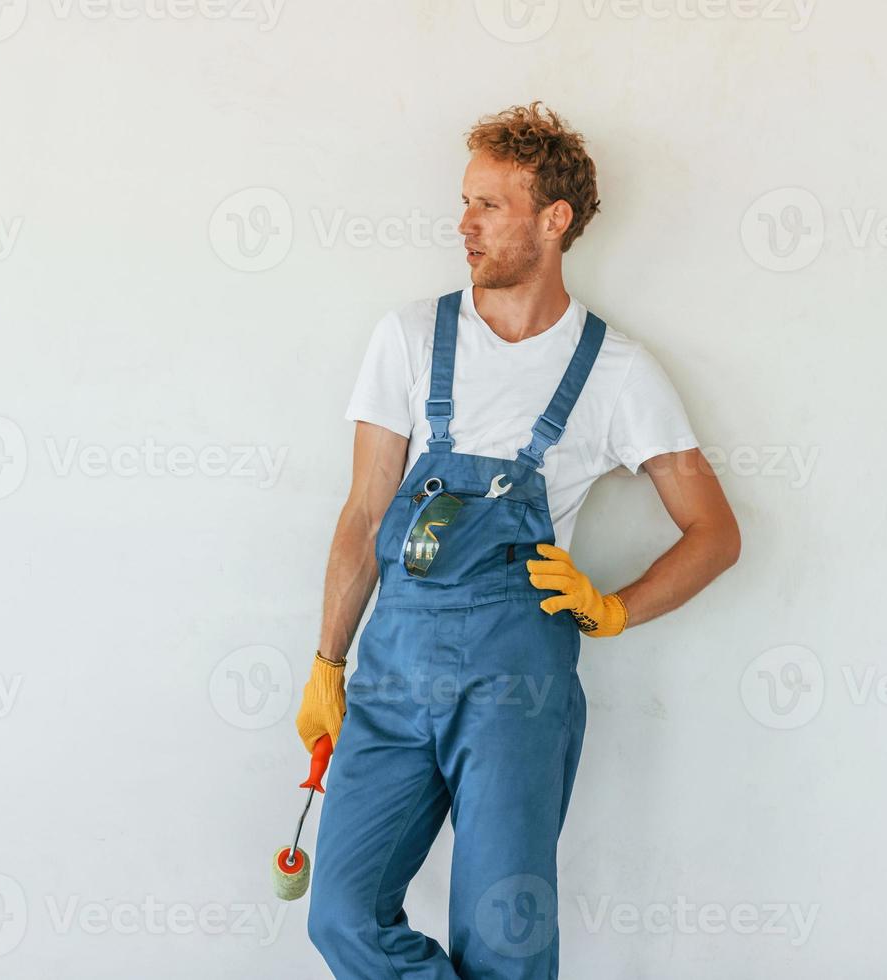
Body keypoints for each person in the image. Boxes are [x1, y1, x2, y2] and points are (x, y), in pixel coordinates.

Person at [294, 102, 741, 979]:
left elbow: (714, 533)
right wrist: (327, 661)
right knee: (343, 919)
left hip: (518, 688)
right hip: (390, 675)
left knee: (506, 944)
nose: (463, 223)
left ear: (553, 219)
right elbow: (362, 515)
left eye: (489, 205)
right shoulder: (411, 338)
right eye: (465, 201)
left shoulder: (617, 372)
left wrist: (613, 609)